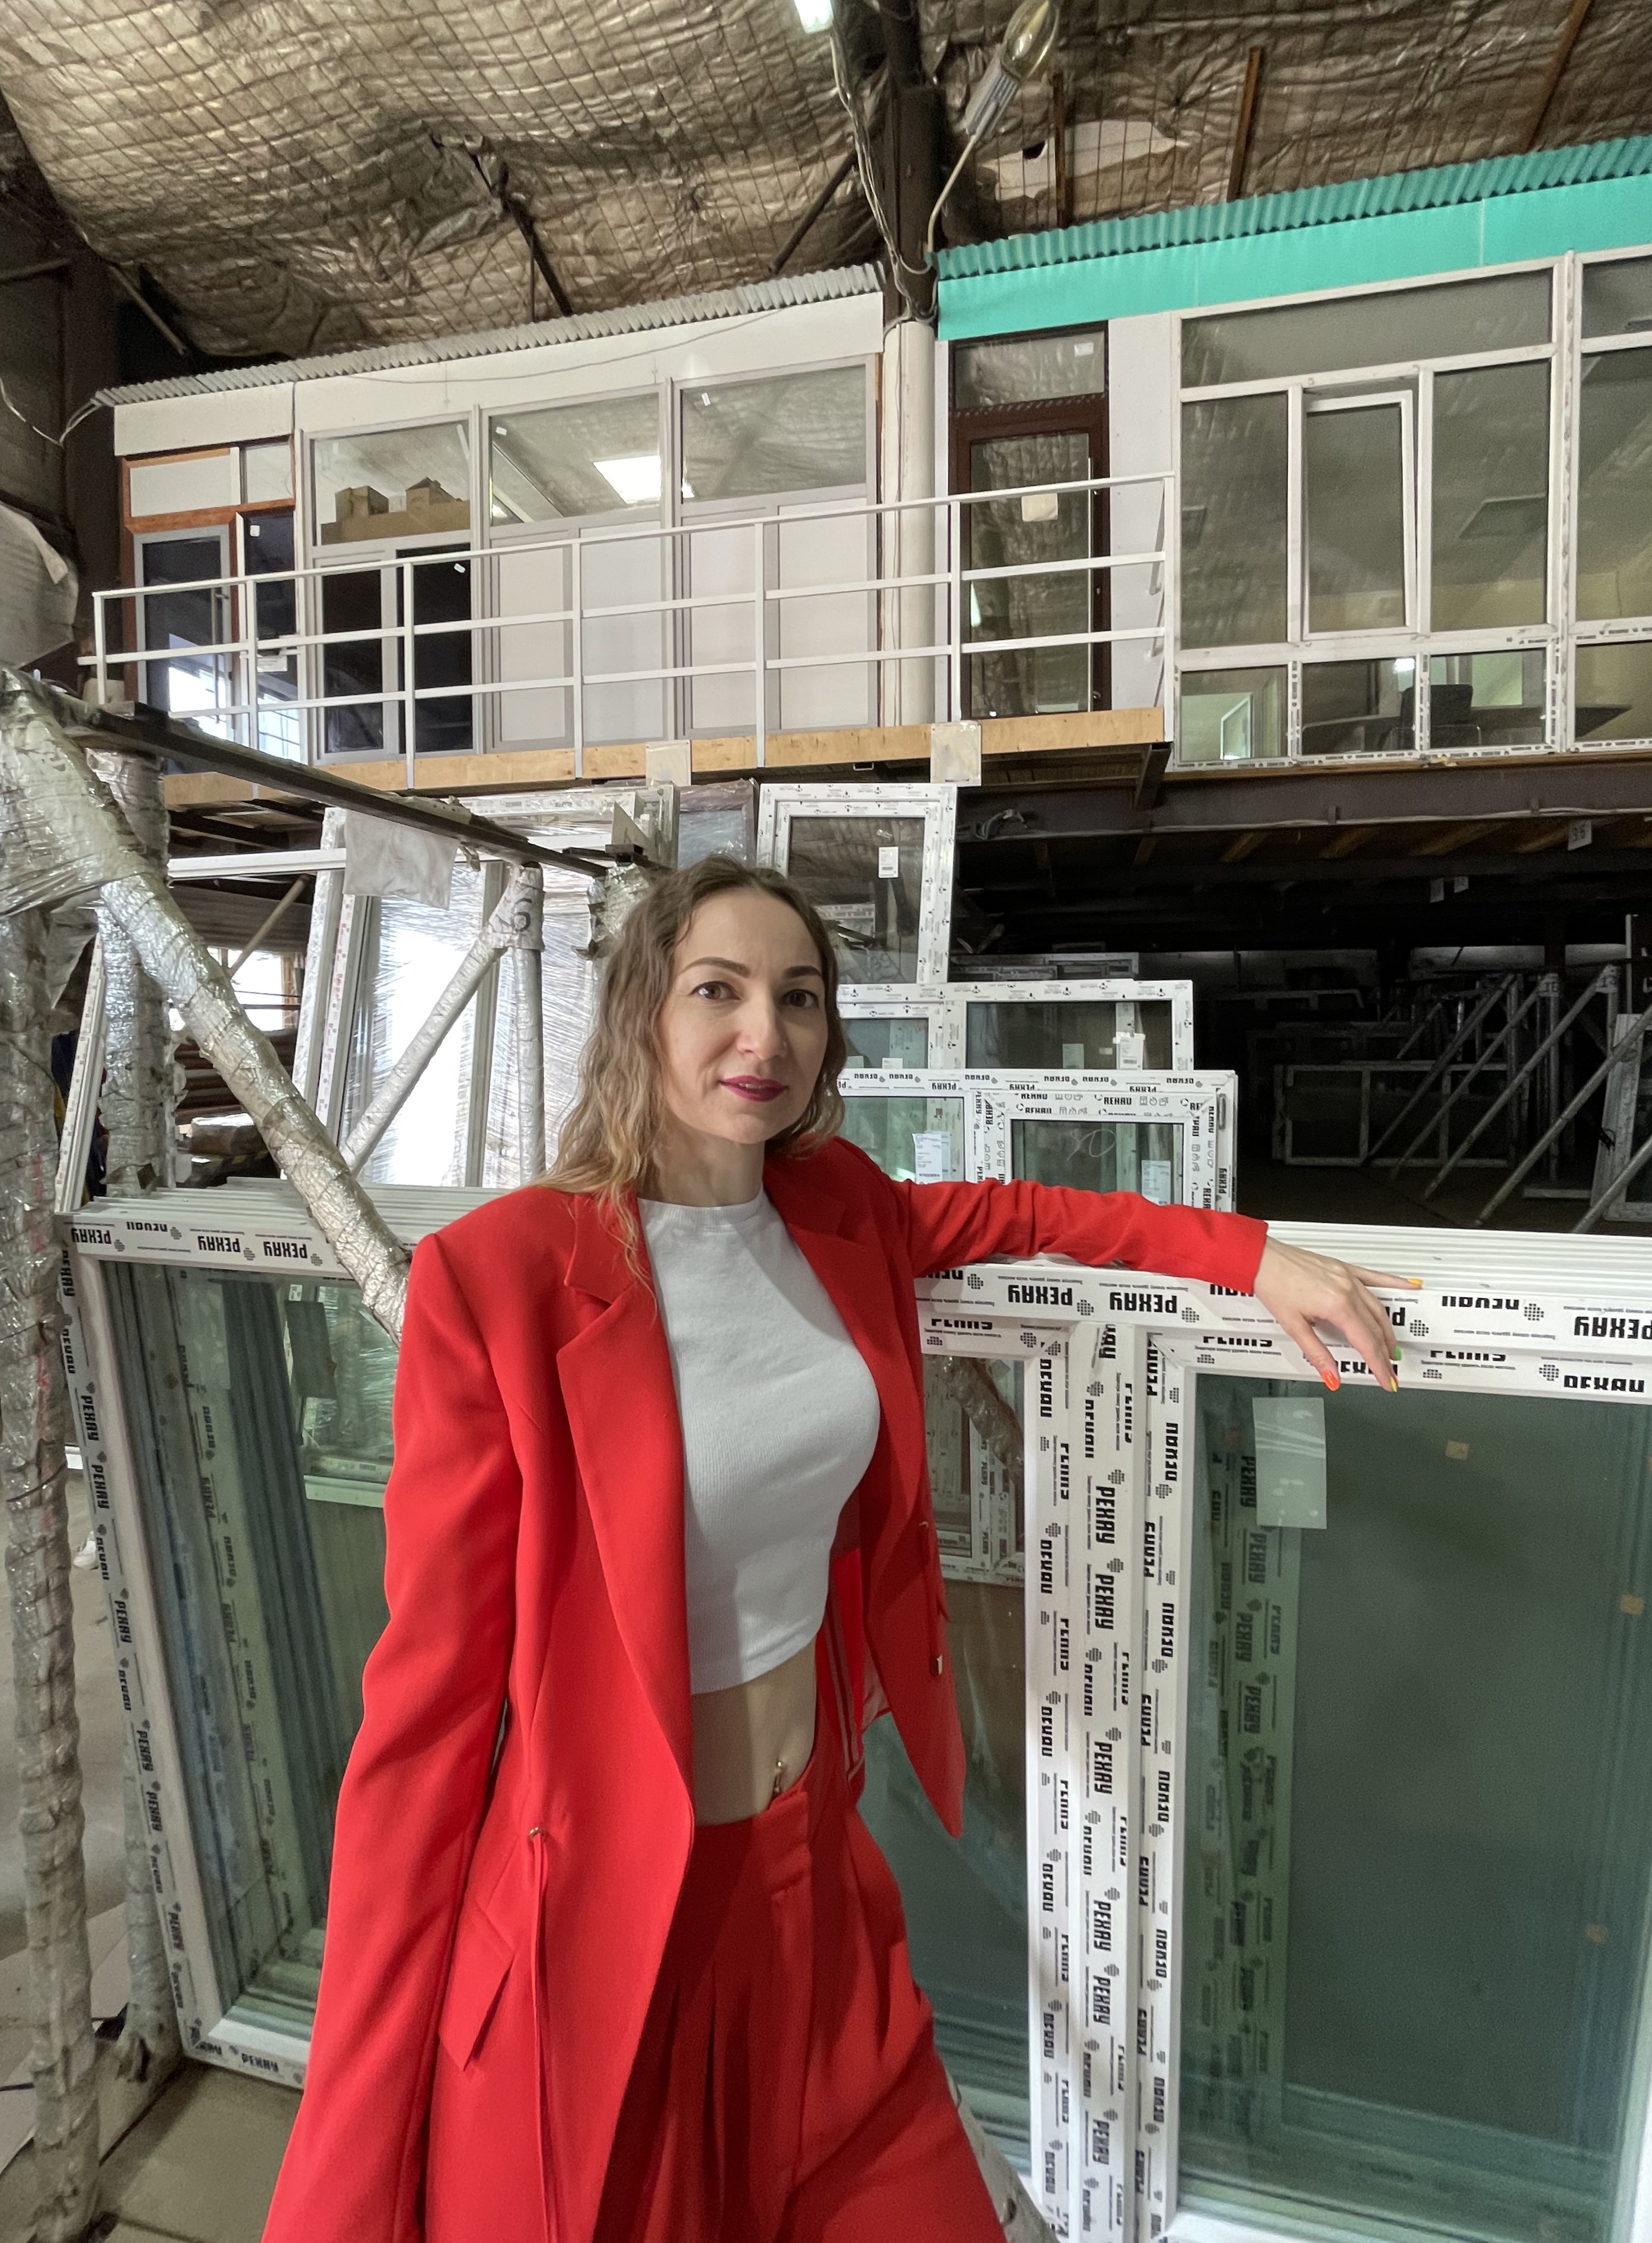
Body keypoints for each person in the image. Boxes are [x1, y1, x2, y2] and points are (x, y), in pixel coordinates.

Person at [263, 854, 1405, 2243]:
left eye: (798, 997)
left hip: (816, 1876)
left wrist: (1249, 1256)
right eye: (718, 990)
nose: (766, 1033)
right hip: (617, 1928)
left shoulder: (839, 1208)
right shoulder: (502, 1278)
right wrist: (347, 2152)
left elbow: (1030, 1214)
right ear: (639, 1012)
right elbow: (428, 1719)